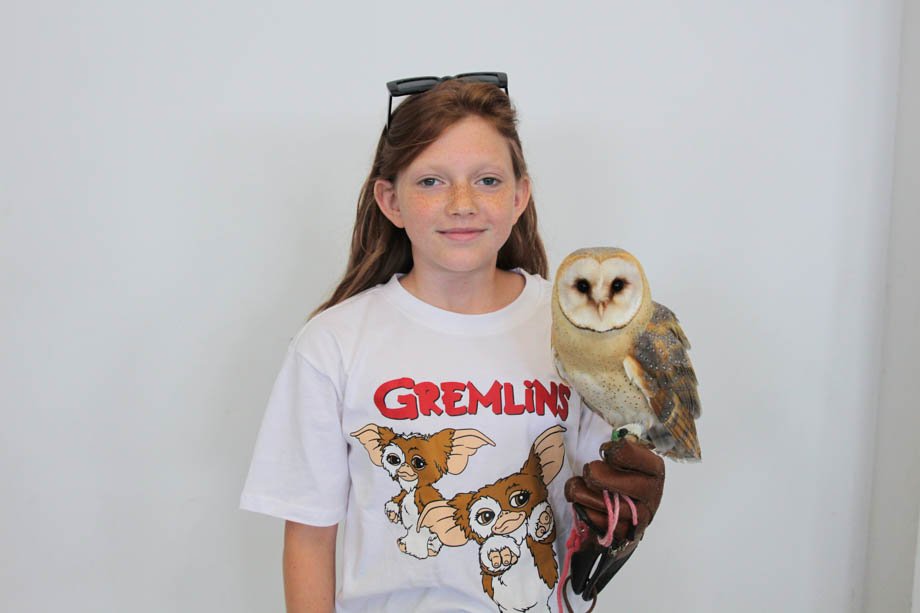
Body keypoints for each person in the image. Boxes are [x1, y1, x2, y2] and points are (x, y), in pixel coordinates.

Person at [240, 73, 664, 613]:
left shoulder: (576, 332)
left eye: (487, 180)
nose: (462, 203)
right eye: (431, 181)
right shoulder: (333, 343)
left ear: (519, 196)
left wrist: (622, 522)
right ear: (391, 200)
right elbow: (308, 538)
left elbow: (599, 503)